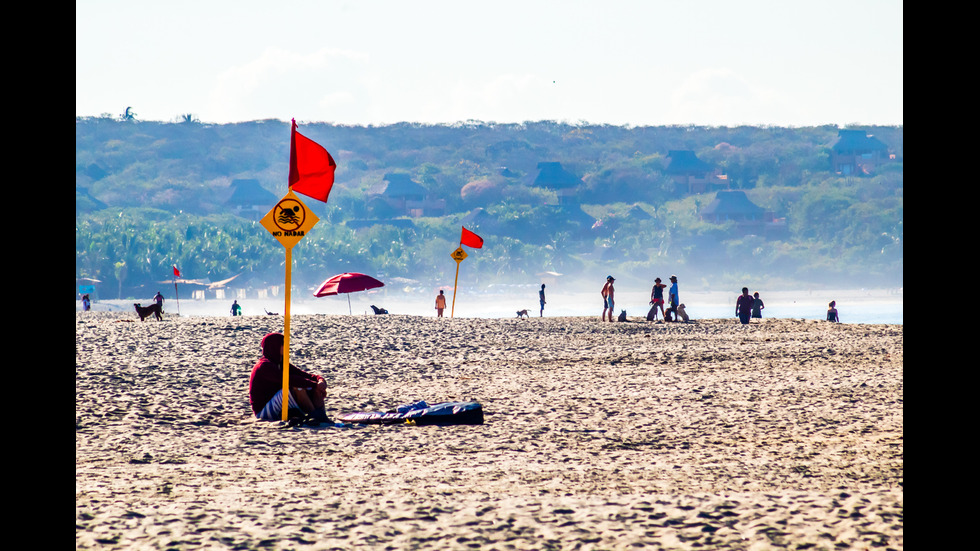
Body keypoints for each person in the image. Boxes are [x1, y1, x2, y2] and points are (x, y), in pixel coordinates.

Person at [248, 332, 329, 422]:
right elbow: (289, 380)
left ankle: (322, 416)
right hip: (264, 411)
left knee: (313, 387)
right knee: (298, 387)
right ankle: (315, 415)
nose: (287, 347)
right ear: (275, 346)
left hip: (278, 403)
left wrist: (319, 381)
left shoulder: (280, 363)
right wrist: (314, 384)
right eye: (283, 344)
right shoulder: (264, 366)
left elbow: (305, 375)